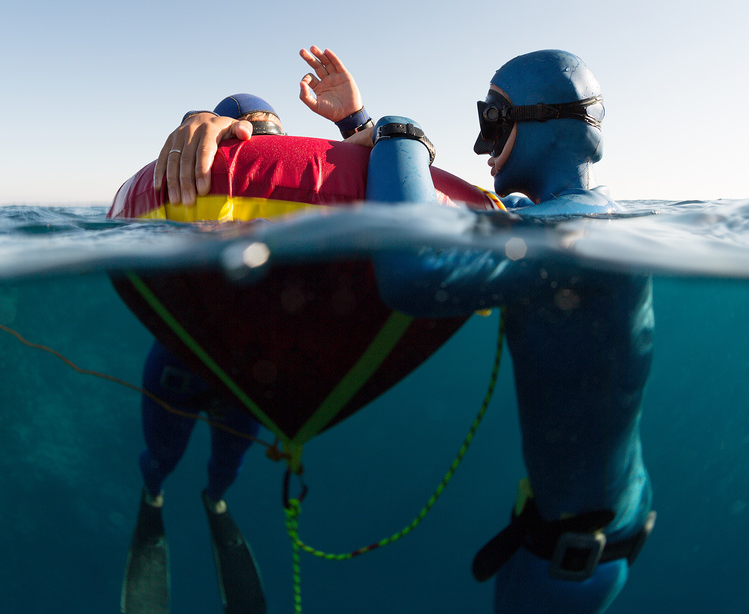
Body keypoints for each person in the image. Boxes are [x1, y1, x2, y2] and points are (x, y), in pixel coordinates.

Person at [164, 46, 656, 614]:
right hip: (565, 525)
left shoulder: (584, 238)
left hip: (578, 555)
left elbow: (416, 273)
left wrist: (402, 135)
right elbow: (438, 214)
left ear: (544, 123)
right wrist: (355, 125)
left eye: (491, 124)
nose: (481, 147)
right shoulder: (552, 218)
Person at [121, 95, 278, 614]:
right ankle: (160, 496)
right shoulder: (196, 196)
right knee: (163, 461)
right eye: (247, 129)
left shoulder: (292, 204)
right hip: (199, 372)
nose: (257, 140)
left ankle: (203, 499)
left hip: (219, 376)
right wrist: (195, 120)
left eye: (269, 132)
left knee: (216, 466)